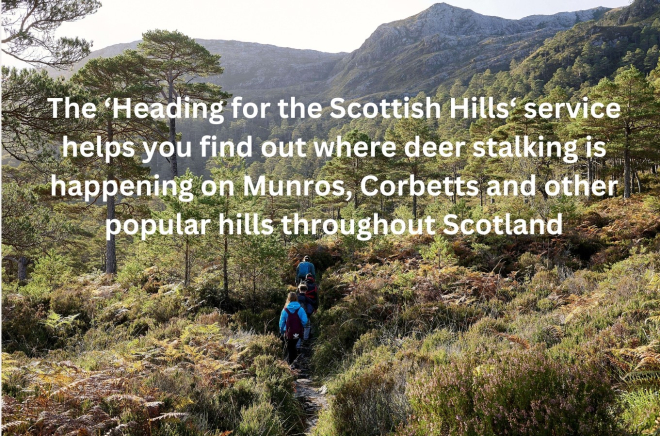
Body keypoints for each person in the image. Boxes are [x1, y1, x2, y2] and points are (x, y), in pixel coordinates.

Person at [279, 292, 308, 365]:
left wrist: (282, 331)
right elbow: (305, 320)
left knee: (289, 347)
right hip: (297, 331)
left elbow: (282, 322)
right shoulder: (300, 309)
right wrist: (300, 326)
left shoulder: (285, 310)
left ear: (288, 299)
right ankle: (294, 362)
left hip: (287, 332)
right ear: (296, 298)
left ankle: (290, 363)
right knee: (293, 346)